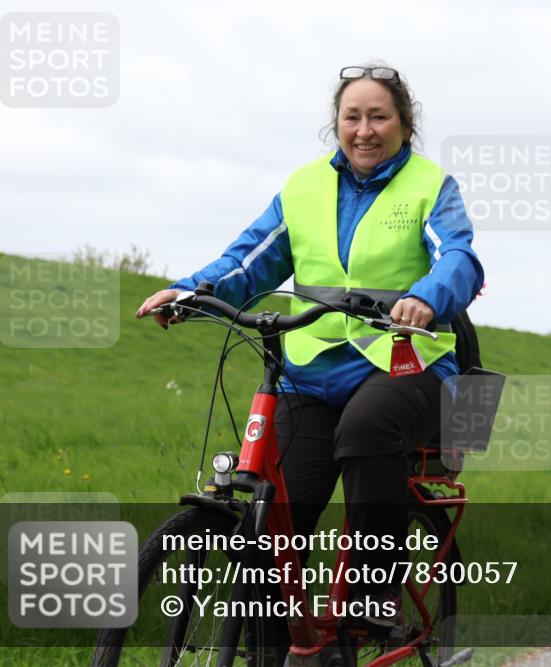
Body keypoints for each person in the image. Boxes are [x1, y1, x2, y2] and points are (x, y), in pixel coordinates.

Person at [136, 64, 484, 625]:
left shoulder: (429, 187)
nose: (364, 130)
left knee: (368, 429)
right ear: (336, 124)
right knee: (277, 512)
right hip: (312, 365)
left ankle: (375, 595)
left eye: (379, 116)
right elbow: (249, 259)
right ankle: (279, 639)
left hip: (405, 360)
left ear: (404, 124)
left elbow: (458, 256)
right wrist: (190, 291)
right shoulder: (302, 187)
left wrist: (426, 296)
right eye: (352, 117)